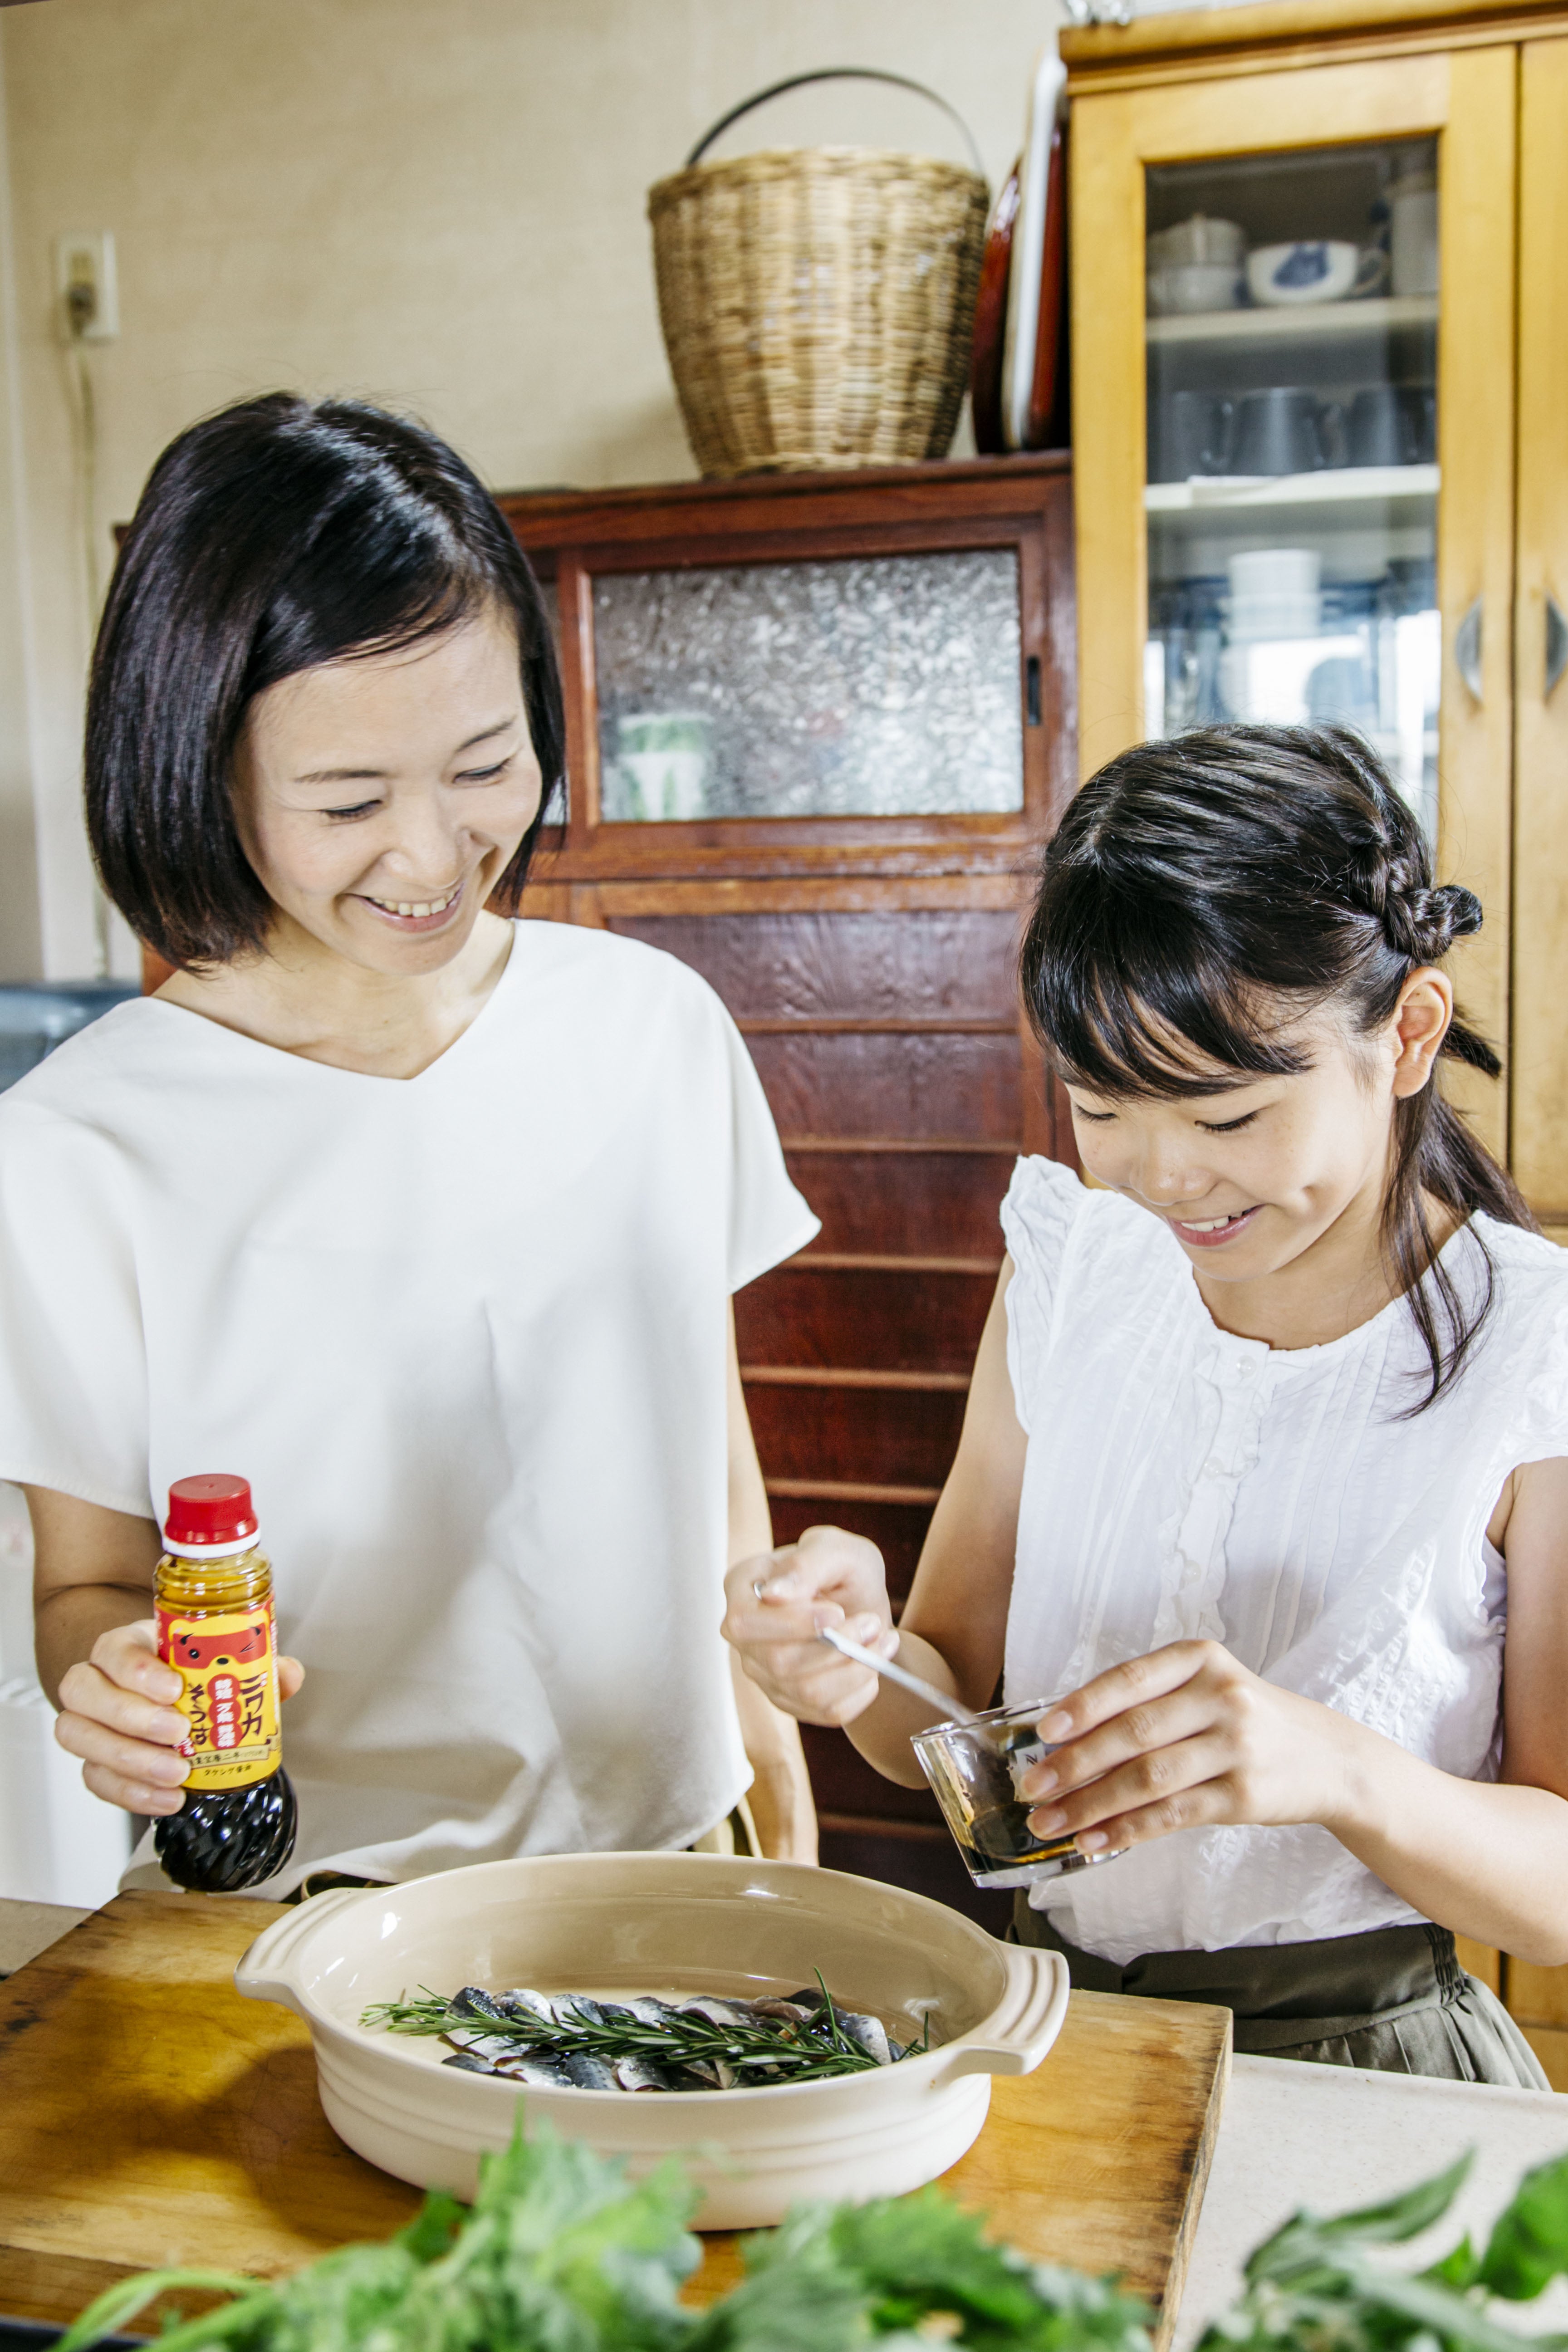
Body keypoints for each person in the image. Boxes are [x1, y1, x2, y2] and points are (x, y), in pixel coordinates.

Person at [0, 392, 819, 1893]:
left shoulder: (653, 1028)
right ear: (203, 772)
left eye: (486, 765)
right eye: (349, 799)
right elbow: (93, 1583)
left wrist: (770, 1767)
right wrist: (105, 1687)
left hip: (676, 1860)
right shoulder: (74, 1149)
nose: (434, 855)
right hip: (309, 1919)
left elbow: (710, 1452)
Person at [725, 724, 1568, 2083]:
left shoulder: (1540, 1352)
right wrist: (851, 1657)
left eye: (1228, 1119)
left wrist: (1337, 1770)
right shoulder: (1077, 1268)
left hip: (1362, 2062)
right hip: (1052, 2034)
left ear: (1408, 1032)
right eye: (1101, 1105)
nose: (1163, 1176)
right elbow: (936, 1711)